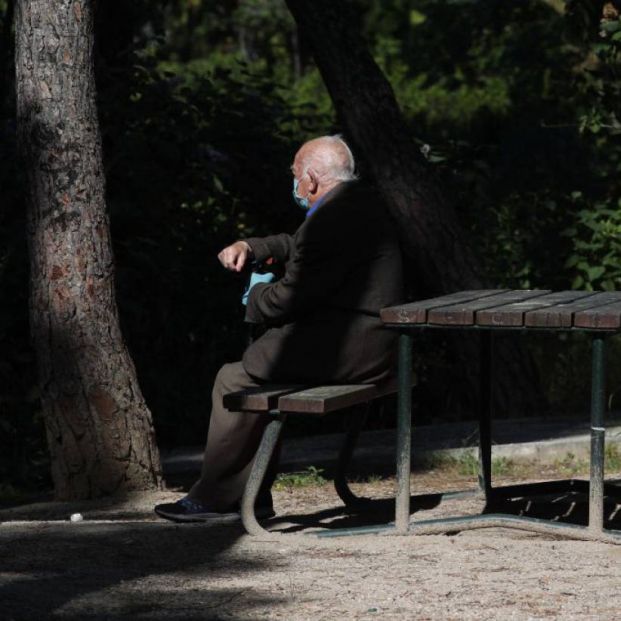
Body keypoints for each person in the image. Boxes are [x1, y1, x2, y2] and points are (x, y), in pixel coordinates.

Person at [155, 135, 403, 522]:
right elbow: (299, 245)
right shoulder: (360, 203)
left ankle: (215, 497)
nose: (295, 186)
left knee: (233, 379)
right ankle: (253, 495)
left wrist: (252, 297)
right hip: (374, 341)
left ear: (313, 180)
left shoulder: (332, 219)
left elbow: (289, 298)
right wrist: (253, 246)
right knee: (255, 373)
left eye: (295, 177)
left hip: (350, 350)